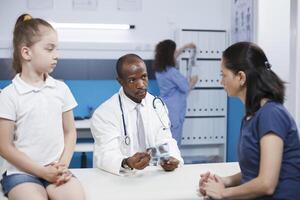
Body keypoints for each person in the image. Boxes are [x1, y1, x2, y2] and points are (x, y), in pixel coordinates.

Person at [199, 42, 300, 199]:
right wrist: (224, 181)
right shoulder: (251, 116)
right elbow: (254, 170)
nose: (221, 82)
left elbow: (266, 183)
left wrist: (223, 193)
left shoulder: (271, 115)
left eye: (223, 75)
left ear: (241, 77)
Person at [0, 14, 85, 199]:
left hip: (55, 170)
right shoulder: (8, 95)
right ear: (26, 53)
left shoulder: (61, 89)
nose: (57, 55)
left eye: (57, 49)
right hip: (22, 173)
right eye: (49, 49)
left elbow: (70, 132)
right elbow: (4, 147)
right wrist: (41, 171)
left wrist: (62, 165)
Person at [91, 53, 184, 175]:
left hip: (152, 175)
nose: (141, 85)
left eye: (144, 77)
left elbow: (164, 139)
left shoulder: (157, 105)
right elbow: (106, 153)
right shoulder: (104, 113)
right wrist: (127, 163)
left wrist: (170, 158)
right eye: (132, 80)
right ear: (120, 81)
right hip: (119, 178)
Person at [153, 39, 198, 145]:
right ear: (170, 55)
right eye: (174, 51)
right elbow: (186, 88)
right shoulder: (173, 73)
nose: (176, 53)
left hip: (165, 108)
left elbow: (173, 56)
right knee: (174, 143)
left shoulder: (160, 70)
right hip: (174, 111)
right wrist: (193, 81)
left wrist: (185, 46)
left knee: (165, 142)